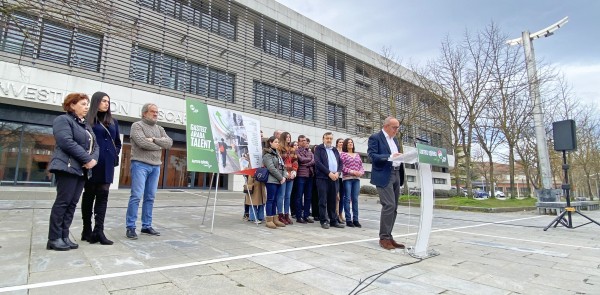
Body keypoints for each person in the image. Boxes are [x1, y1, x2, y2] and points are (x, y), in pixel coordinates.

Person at [47, 93, 99, 251]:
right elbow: (66, 142)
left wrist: (94, 160)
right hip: (67, 167)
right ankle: (54, 238)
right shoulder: (63, 120)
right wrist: (87, 159)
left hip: (81, 170)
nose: (86, 107)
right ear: (71, 105)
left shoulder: (86, 125)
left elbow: (95, 146)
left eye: (87, 104)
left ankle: (64, 236)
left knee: (71, 204)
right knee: (63, 203)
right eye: (83, 104)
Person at [125, 103, 173, 239]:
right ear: (144, 113)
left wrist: (154, 139)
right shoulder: (137, 126)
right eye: (153, 111)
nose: (156, 114)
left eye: (157, 112)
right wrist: (159, 145)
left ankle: (146, 225)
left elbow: (169, 143)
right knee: (136, 196)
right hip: (140, 164)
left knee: (150, 197)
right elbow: (142, 143)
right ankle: (131, 227)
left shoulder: (160, 128)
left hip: (156, 166)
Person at [81, 91, 121, 245]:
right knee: (89, 194)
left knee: (103, 194)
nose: (106, 104)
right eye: (103, 101)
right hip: (92, 162)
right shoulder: (88, 120)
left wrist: (114, 153)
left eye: (108, 102)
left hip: (107, 163)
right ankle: (87, 229)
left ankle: (99, 231)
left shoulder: (113, 121)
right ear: (96, 102)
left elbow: (117, 142)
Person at [368, 117, 406, 250]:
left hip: (396, 173)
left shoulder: (395, 140)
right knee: (389, 205)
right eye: (395, 127)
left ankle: (389, 236)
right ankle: (383, 238)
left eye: (397, 128)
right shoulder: (375, 137)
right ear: (386, 126)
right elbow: (372, 156)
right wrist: (389, 157)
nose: (397, 130)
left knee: (394, 207)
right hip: (384, 175)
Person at [314, 132, 344, 229]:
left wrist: (338, 173)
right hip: (323, 178)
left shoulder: (335, 150)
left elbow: (340, 163)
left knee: (333, 200)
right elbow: (318, 163)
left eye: (331, 138)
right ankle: (324, 220)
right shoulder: (319, 149)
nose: (329, 140)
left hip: (335, 178)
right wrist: (329, 173)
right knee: (323, 200)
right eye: (327, 138)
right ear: (323, 139)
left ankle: (333, 220)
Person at [263, 136, 286, 229]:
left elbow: (283, 166)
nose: (277, 143)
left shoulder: (278, 154)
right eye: (276, 142)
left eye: (278, 142)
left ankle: (275, 218)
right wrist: (281, 178)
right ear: (270, 143)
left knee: (276, 200)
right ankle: (269, 219)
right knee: (270, 199)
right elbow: (271, 168)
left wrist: (284, 176)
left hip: (279, 180)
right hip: (271, 180)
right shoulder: (267, 155)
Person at [340, 138, 364, 228]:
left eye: (351, 142)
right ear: (346, 145)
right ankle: (348, 219)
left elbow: (361, 166)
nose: (350, 144)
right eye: (349, 143)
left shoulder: (357, 155)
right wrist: (352, 171)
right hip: (347, 178)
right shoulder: (343, 154)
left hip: (356, 179)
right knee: (347, 198)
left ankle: (356, 219)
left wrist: (361, 172)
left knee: (355, 199)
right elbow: (342, 167)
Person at [276, 132, 297, 225]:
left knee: (288, 196)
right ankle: (280, 215)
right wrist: (284, 173)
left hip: (291, 175)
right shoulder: (279, 148)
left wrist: (294, 171)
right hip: (283, 175)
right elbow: (278, 162)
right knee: (281, 195)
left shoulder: (292, 149)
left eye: (289, 137)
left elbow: (295, 161)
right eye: (287, 137)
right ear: (283, 138)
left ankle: (286, 215)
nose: (288, 138)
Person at [295, 135, 315, 223]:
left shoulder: (310, 151)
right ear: (298, 142)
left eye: (305, 140)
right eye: (302, 140)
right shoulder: (296, 151)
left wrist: (306, 163)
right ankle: (299, 216)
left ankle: (306, 215)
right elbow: (301, 160)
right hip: (301, 176)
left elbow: (314, 160)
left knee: (308, 197)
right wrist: (308, 162)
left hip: (310, 175)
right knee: (299, 196)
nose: (304, 142)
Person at [335, 138, 345, 223]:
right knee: (336, 197)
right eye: (340, 142)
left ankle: (341, 213)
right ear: (337, 143)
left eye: (342, 142)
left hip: (344, 177)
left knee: (342, 196)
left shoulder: (345, 153)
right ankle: (336, 213)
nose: (341, 143)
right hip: (336, 176)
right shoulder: (335, 152)